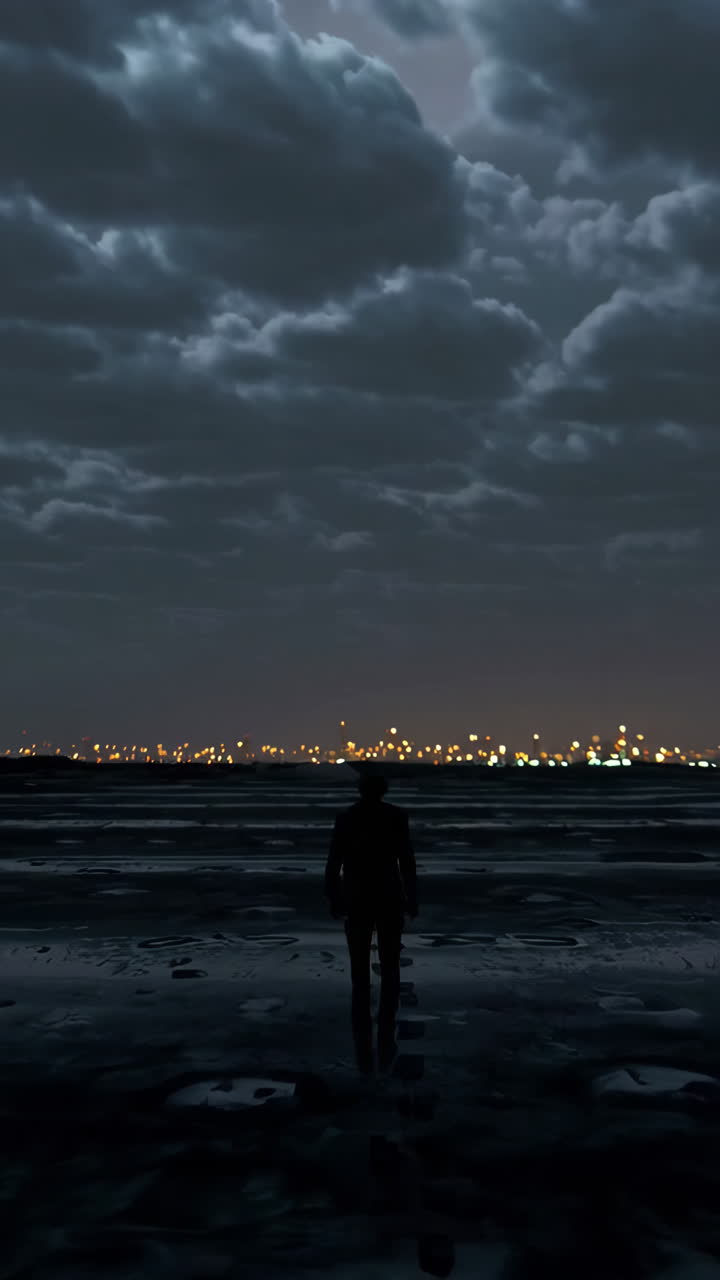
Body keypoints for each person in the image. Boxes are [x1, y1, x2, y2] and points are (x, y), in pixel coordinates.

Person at [324, 773, 418, 1073]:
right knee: (390, 964)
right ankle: (385, 1024)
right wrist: (412, 897)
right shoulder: (395, 817)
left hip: (358, 896)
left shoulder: (347, 818)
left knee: (359, 964)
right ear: (383, 790)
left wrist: (335, 898)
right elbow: (407, 860)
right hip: (388, 895)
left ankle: (363, 1024)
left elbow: (333, 862)